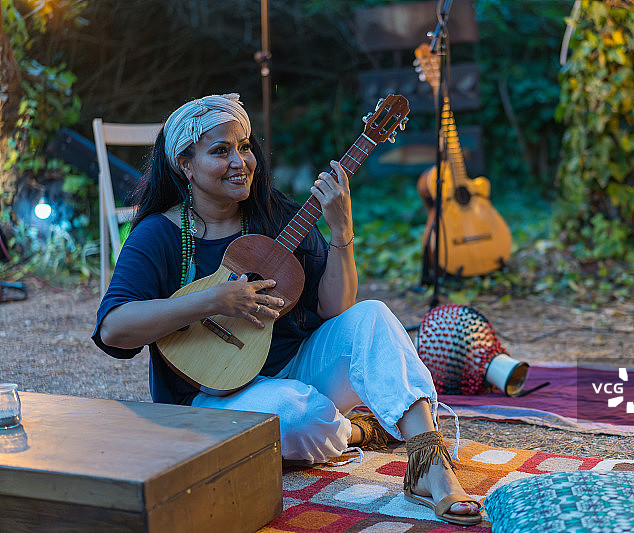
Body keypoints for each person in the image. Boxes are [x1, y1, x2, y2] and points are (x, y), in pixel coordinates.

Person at [92, 94, 482, 526]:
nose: (240, 160)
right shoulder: (158, 234)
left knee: (371, 315)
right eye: (220, 151)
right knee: (296, 414)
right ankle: (358, 431)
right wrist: (214, 299)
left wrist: (341, 230)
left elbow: (336, 307)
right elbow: (113, 329)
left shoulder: (276, 215)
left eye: (244, 146)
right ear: (185, 163)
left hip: (293, 368)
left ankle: (431, 465)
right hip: (209, 395)